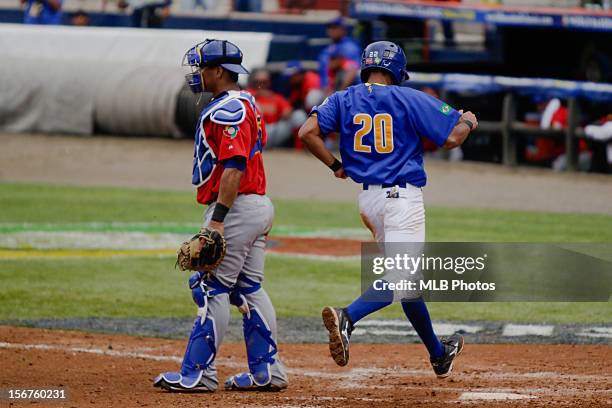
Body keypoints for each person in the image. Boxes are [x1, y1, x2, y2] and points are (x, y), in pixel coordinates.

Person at [298, 41, 477, 377]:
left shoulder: (342, 97)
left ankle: (439, 354)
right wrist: (468, 121)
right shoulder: (407, 96)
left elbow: (307, 132)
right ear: (398, 70)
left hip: (369, 202)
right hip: (401, 200)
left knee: (408, 282)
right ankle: (348, 316)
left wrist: (335, 165)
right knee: (401, 276)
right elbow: (452, 138)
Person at [154, 39, 288, 392]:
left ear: (217, 71)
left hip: (237, 207)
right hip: (255, 204)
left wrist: (217, 221)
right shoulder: (245, 102)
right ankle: (267, 372)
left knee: (208, 287)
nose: (197, 75)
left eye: (202, 68)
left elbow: (233, 167)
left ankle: (197, 373)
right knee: (249, 288)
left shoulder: (228, 110)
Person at [247, 68, 293, 147]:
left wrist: (284, 114)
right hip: (254, 130)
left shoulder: (275, 97)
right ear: (253, 82)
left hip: (272, 129)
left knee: (296, 118)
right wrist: (257, 94)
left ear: (269, 82)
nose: (261, 85)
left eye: (264, 82)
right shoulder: (247, 94)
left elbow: (288, 112)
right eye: (258, 82)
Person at [318, 17, 361, 91]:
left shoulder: (350, 47)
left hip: (345, 90)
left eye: (334, 28)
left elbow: (354, 70)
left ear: (343, 30)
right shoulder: (327, 50)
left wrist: (340, 93)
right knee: (313, 96)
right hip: (326, 90)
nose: (331, 30)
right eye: (329, 28)